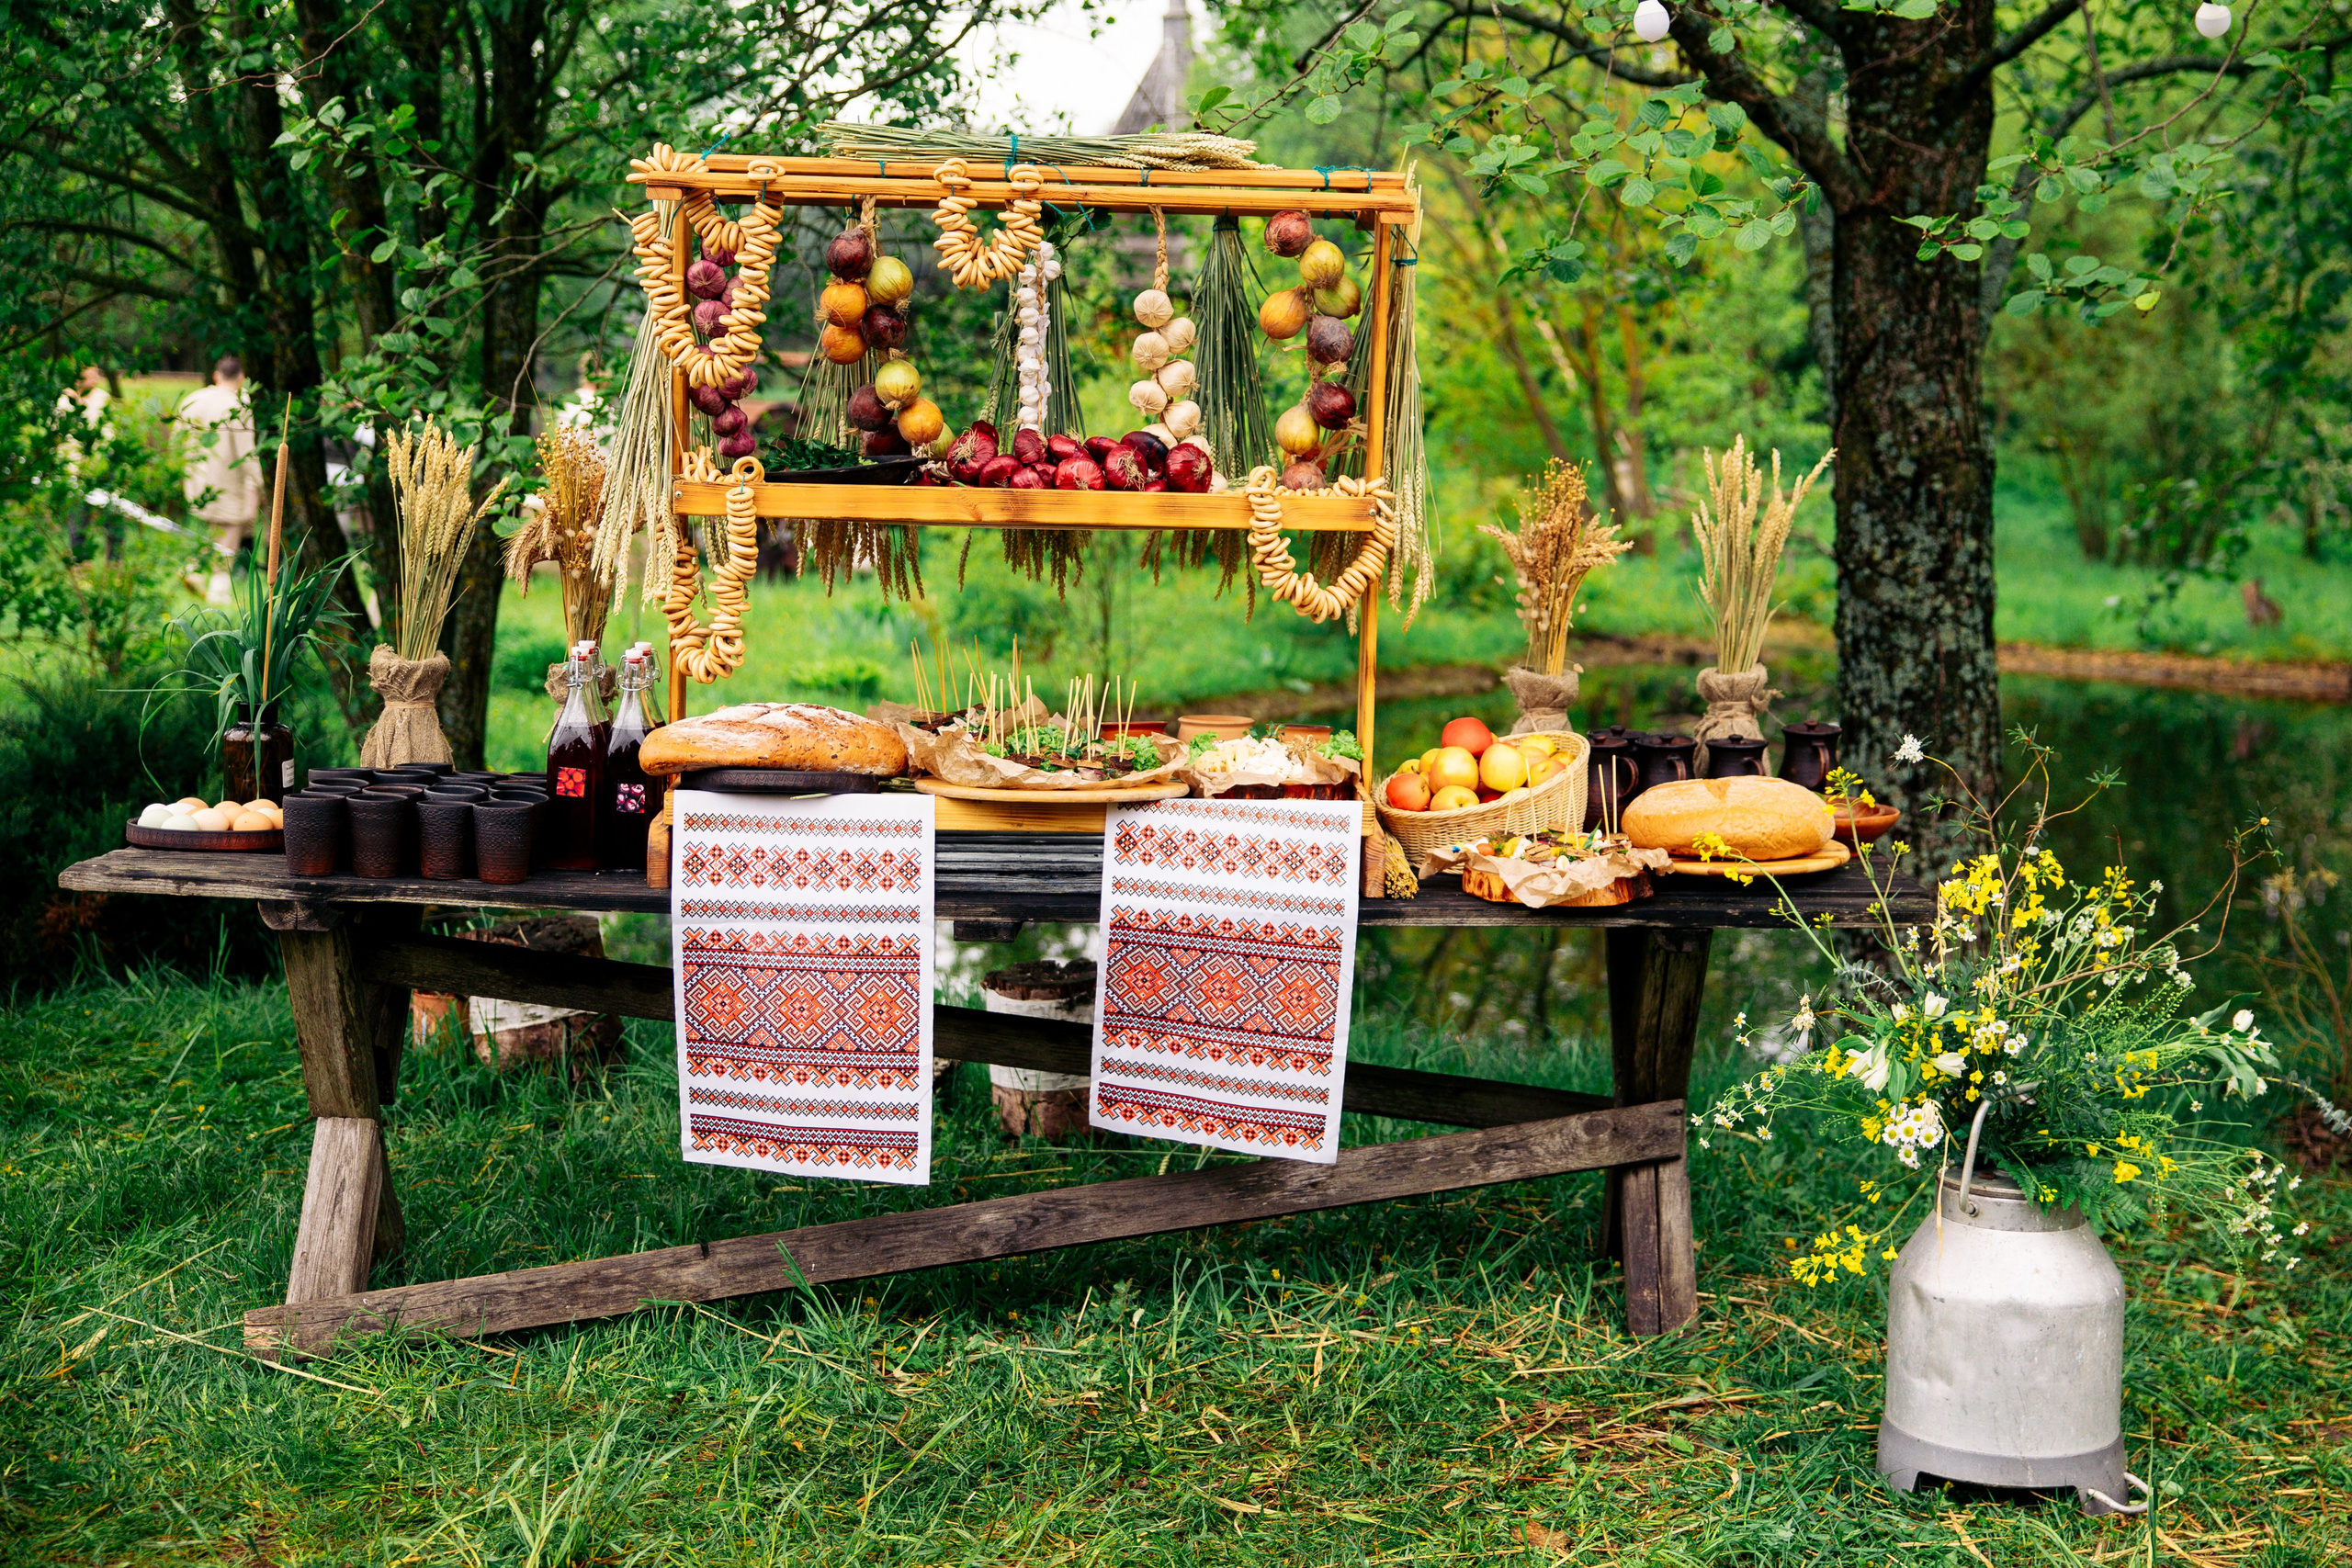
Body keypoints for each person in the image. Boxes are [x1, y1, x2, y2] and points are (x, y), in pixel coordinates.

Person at [176, 355, 260, 605]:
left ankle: (194, 571)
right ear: (242, 378)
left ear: (216, 375)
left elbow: (177, 443)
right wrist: (256, 484)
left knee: (215, 532)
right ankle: (218, 589)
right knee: (231, 533)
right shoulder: (239, 404)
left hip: (196, 482)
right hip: (229, 481)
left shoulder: (191, 400)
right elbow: (247, 452)